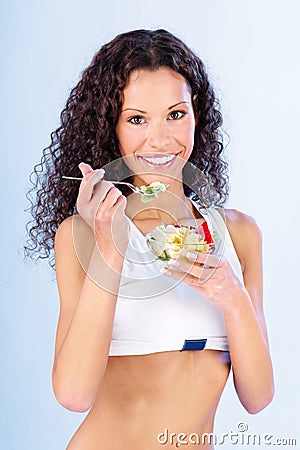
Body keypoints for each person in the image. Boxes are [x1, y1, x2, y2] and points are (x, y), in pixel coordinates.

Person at [26, 29, 274, 449]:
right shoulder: (82, 236)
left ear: (196, 111)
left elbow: (258, 398)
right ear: (113, 126)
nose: (160, 139)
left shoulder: (239, 235)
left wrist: (231, 295)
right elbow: (73, 393)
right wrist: (110, 248)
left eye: (175, 114)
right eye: (137, 119)